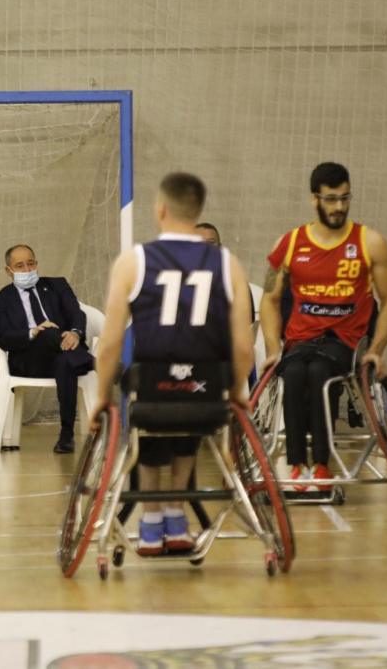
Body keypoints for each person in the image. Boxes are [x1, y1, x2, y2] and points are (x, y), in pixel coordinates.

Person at [91, 172, 253, 555]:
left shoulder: (135, 261)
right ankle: (177, 518)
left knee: (148, 413)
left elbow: (110, 343)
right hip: (206, 393)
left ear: (160, 209)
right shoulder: (227, 263)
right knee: (192, 408)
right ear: (197, 212)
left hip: (152, 390)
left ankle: (150, 523)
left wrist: (101, 396)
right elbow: (244, 346)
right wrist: (238, 391)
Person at [259, 162, 387, 492]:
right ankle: (297, 465)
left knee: (320, 372)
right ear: (315, 199)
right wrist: (271, 348)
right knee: (293, 374)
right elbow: (268, 298)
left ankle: (321, 465)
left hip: (345, 341)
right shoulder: (289, 243)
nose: (339, 206)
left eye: (345, 198)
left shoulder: (370, 241)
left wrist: (377, 350)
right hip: (300, 340)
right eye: (331, 199)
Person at [0, 244, 94, 453]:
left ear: (37, 263)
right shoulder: (0, 300)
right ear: (8, 271)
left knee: (65, 362)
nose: (27, 270)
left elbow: (76, 313)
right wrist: (33, 332)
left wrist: (74, 332)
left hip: (64, 355)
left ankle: (66, 435)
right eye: (20, 266)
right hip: (29, 360)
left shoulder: (57, 285)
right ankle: (94, 361)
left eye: (31, 263)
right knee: (46, 332)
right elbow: (3, 338)